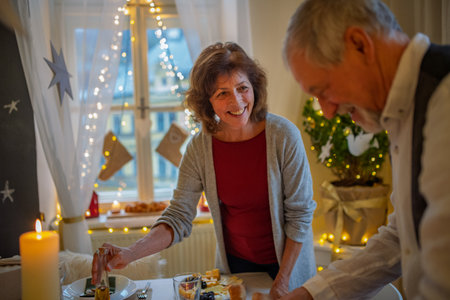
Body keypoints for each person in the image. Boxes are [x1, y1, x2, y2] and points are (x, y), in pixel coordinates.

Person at [92, 42, 317, 298]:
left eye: (243, 88)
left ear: (254, 87)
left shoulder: (284, 136)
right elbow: (178, 216)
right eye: (222, 93)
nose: (237, 101)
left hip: (288, 268)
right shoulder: (200, 147)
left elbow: (300, 215)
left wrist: (282, 281)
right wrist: (130, 253)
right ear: (207, 102)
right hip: (235, 269)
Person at [281, 0, 450, 299]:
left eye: (323, 90)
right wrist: (310, 294)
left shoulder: (443, 98)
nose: (329, 112)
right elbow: (402, 239)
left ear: (360, 45)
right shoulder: (399, 114)